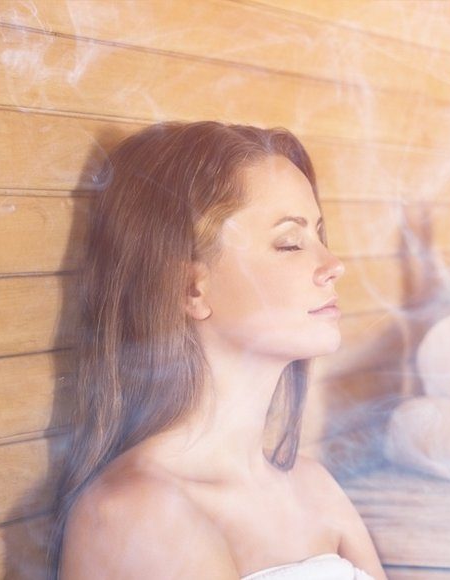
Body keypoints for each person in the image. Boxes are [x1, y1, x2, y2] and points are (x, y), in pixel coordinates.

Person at [49, 121, 387, 580]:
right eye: (290, 243)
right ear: (191, 288)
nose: (333, 264)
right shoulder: (137, 514)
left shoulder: (314, 488)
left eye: (319, 236)